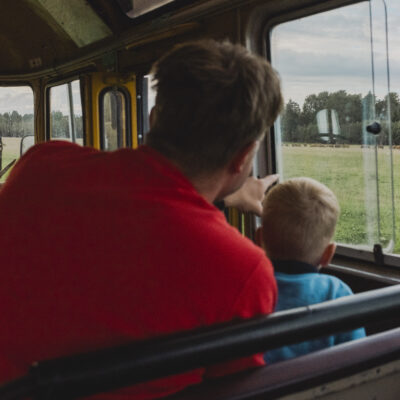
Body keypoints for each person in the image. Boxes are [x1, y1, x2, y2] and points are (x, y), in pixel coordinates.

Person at [0, 40, 283, 399]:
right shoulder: (244, 270)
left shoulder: (41, 165)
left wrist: (221, 198)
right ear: (243, 157)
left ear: (153, 119)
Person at [255, 177, 366, 363]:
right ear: (328, 254)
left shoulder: (249, 289)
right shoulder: (337, 293)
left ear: (259, 239)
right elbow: (359, 360)